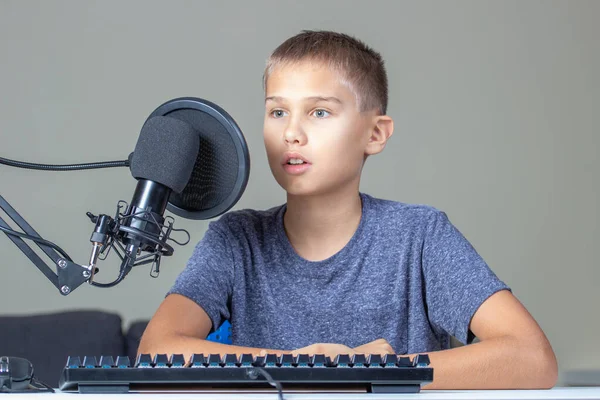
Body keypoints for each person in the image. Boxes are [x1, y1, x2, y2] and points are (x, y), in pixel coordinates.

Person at [138, 30, 557, 389]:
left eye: (319, 112)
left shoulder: (419, 236)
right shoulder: (236, 239)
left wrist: (376, 372)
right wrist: (307, 369)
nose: (291, 133)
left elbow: (531, 357)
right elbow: (156, 350)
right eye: (277, 111)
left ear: (375, 134)